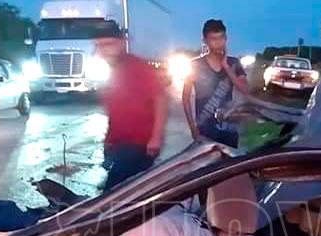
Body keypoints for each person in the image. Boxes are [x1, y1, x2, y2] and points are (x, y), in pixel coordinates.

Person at [93, 22, 168, 191]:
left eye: (108, 44)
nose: (104, 50)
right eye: (99, 45)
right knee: (128, 192)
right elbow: (115, 111)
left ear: (121, 43)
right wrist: (108, 140)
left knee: (114, 193)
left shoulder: (138, 67)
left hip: (139, 145)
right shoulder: (110, 71)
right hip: (118, 145)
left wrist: (156, 137)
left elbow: (160, 99)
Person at [182, 19, 250, 149]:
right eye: (213, 39)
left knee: (230, 161)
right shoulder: (195, 65)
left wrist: (226, 67)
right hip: (205, 130)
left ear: (226, 38)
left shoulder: (234, 63)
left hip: (229, 129)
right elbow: (185, 98)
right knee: (208, 162)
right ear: (205, 41)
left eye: (221, 38)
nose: (218, 43)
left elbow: (245, 90)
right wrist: (193, 127)